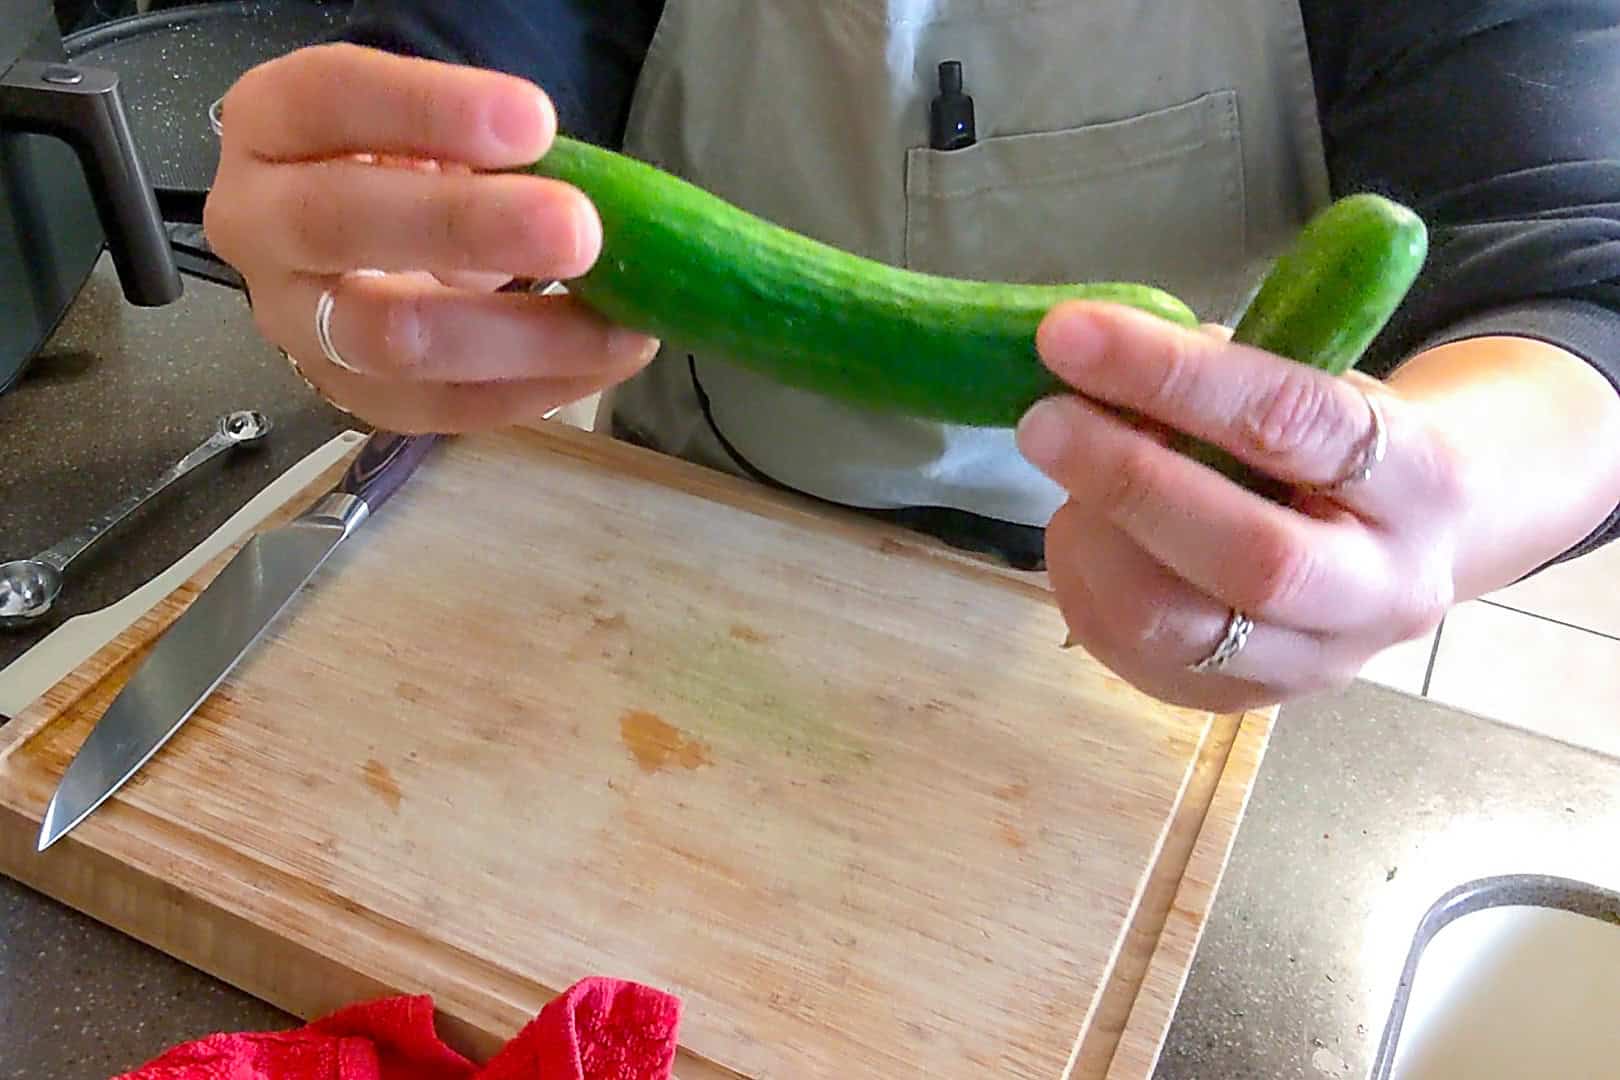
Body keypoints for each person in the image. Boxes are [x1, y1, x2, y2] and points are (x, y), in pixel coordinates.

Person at [202, 2, 1620, 714]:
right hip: (674, 540)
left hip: (1180, 614)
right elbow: (465, 68)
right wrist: (367, 236)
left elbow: (1580, 269)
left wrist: (1426, 494)